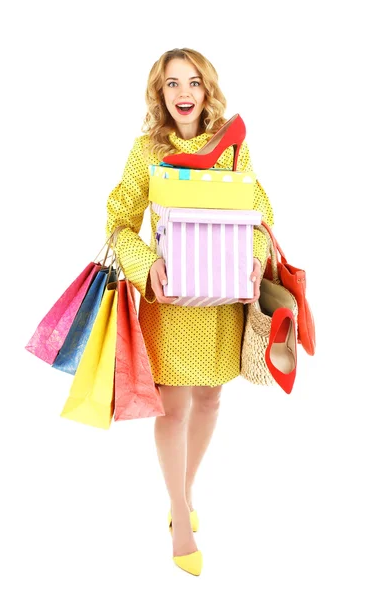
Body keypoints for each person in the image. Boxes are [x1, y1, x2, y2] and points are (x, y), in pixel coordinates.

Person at [105, 47, 274, 576]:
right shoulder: (146, 151)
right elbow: (118, 221)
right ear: (160, 92)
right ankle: (180, 513)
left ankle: (186, 486)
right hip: (172, 300)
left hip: (222, 300)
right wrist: (144, 262)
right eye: (172, 83)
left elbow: (261, 214)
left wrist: (254, 259)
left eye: (194, 82)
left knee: (209, 399)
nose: (183, 93)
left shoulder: (232, 147)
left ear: (207, 91)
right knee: (173, 408)